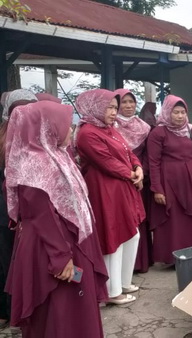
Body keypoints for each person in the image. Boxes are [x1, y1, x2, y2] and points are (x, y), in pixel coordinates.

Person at [4, 101, 108, 337]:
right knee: (60, 310)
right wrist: (61, 257)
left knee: (75, 306)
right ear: (48, 127)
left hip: (70, 241)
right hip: (52, 248)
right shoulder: (35, 165)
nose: (71, 130)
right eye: (66, 125)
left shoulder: (56, 155)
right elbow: (41, 216)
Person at [75, 89, 145, 305]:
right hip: (104, 190)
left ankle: (124, 281)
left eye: (115, 108)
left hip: (122, 187)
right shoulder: (87, 133)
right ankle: (112, 291)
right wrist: (131, 173)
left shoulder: (109, 129)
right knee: (113, 235)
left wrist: (138, 166)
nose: (114, 112)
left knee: (131, 233)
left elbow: (127, 151)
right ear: (95, 107)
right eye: (109, 107)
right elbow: (106, 161)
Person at [147, 95, 192, 264]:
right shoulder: (158, 133)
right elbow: (153, 162)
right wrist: (157, 189)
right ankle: (173, 258)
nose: (179, 116)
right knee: (174, 221)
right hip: (169, 182)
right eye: (175, 112)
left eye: (183, 112)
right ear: (168, 112)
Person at [0, 89, 37, 328]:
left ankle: (27, 309)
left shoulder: (41, 137)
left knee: (28, 263)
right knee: (5, 261)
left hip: (33, 213)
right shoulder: (2, 138)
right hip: (5, 213)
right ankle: (6, 310)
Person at [114, 89, 153, 273]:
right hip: (117, 179)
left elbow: (147, 154)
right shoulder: (110, 128)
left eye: (132, 102)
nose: (129, 106)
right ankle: (121, 267)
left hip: (140, 179)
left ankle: (140, 261)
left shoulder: (143, 127)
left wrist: (141, 173)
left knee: (140, 218)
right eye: (124, 102)